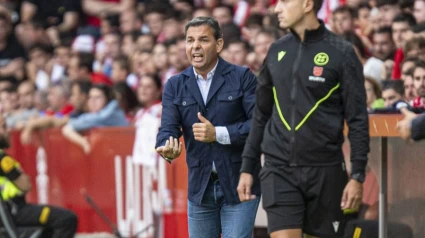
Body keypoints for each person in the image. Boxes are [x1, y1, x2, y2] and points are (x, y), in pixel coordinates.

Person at [237, 0, 370, 237]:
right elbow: (261, 114)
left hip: (326, 171)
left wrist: (357, 175)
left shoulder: (342, 52)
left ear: (307, 4)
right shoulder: (276, 50)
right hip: (279, 168)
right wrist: (248, 166)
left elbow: (358, 119)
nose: (277, 9)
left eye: (285, 2)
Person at [155, 17, 260, 238]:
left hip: (239, 182)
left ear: (219, 44)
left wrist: (219, 134)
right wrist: (167, 146)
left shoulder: (243, 77)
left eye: (203, 40)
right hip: (200, 188)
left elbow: (260, 125)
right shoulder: (175, 84)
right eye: (190, 40)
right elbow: (167, 129)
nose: (195, 46)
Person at [0, 114, 77, 238]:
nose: (8, 131)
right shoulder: (3, 160)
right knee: (67, 219)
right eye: (3, 127)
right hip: (15, 211)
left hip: (10, 212)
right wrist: (20, 173)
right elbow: (25, 185)